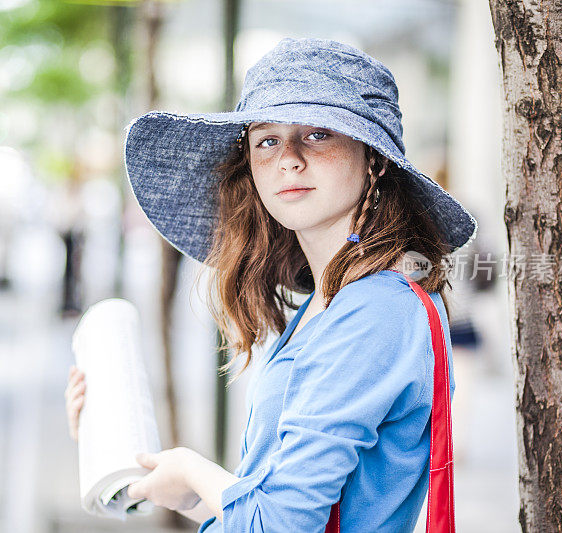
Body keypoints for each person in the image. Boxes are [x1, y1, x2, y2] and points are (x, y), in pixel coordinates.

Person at [65, 38, 476, 532]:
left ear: (375, 158)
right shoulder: (331, 300)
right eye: (267, 139)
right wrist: (130, 456)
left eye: (319, 133)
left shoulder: (375, 310)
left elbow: (275, 525)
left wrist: (195, 469)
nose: (289, 159)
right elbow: (267, 508)